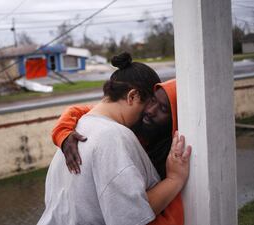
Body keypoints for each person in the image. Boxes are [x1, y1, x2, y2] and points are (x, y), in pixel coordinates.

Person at [38, 52, 191, 225]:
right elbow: (131, 217)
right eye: (148, 103)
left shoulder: (76, 129)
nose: (147, 113)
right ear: (132, 96)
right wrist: (175, 179)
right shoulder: (112, 137)